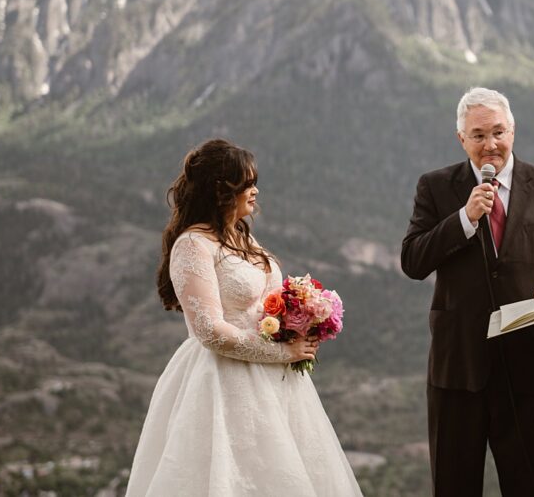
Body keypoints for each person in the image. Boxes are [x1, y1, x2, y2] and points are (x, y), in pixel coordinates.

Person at [126, 139, 362, 497]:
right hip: (221, 382)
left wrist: (301, 320)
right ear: (221, 191)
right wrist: (284, 353)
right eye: (246, 183)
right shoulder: (193, 245)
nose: (255, 191)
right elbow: (210, 331)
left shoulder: (243, 240)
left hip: (277, 386)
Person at [401, 87, 534, 497]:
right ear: (461, 139)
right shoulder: (435, 187)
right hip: (460, 367)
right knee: (455, 486)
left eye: (499, 133)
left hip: (531, 363)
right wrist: (464, 219)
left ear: (514, 130)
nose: (491, 145)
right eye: (479, 135)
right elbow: (413, 261)